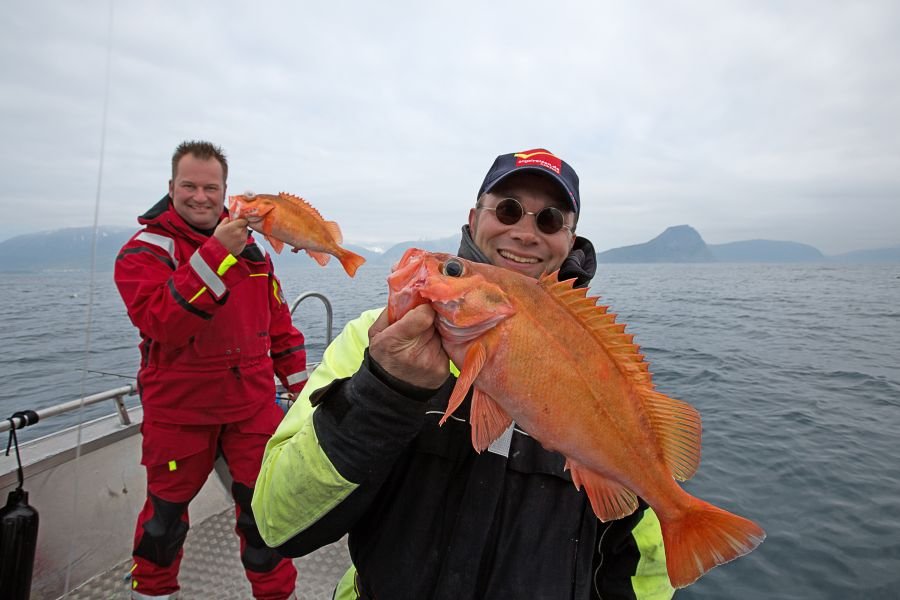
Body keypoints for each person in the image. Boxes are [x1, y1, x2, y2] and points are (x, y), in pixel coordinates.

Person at [251, 148, 674, 599]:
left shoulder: (611, 380)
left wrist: (671, 507)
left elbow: (644, 570)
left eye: (549, 219)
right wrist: (383, 389)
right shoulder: (372, 340)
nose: (525, 232)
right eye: (508, 210)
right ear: (474, 219)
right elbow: (279, 524)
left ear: (570, 240)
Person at [114, 140, 306, 600]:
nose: (200, 196)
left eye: (210, 187)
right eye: (189, 186)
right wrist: (216, 254)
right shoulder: (145, 250)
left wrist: (301, 388)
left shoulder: (255, 251)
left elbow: (278, 326)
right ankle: (154, 593)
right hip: (179, 413)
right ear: (171, 187)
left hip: (251, 408)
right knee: (164, 519)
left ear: (225, 192)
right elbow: (163, 321)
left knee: (263, 518)